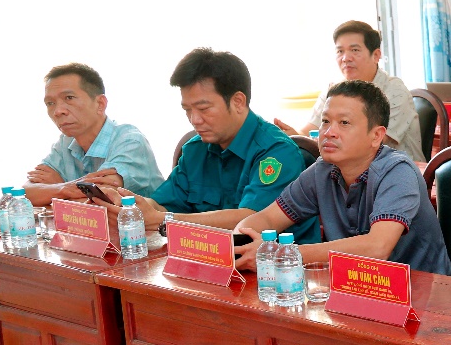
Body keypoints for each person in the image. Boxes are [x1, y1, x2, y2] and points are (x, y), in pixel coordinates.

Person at [234, 81, 451, 275]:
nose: (329, 132)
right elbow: (268, 218)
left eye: (344, 123)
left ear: (376, 135)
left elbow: (377, 247)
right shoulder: (322, 171)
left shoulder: (398, 172)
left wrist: (280, 254)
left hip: (423, 294)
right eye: (325, 121)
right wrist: (241, 239)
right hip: (352, 288)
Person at [103, 48, 318, 241]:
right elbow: (162, 204)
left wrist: (163, 219)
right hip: (206, 259)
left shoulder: (276, 151)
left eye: (203, 109)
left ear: (238, 101)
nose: (194, 119)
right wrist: (128, 205)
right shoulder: (195, 150)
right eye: (187, 110)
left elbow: (251, 220)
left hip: (272, 264)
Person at [278, 20, 421, 163]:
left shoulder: (395, 91)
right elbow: (310, 130)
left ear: (376, 55)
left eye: (355, 50)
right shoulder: (334, 89)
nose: (346, 58)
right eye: (340, 51)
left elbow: (372, 143)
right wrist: (292, 136)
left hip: (395, 169)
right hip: (347, 169)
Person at [24, 63, 165, 207]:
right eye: (50, 103)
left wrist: (53, 190)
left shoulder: (129, 140)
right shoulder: (65, 142)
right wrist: (63, 188)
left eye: (69, 98)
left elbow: (101, 201)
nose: (58, 111)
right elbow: (25, 193)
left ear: (100, 104)